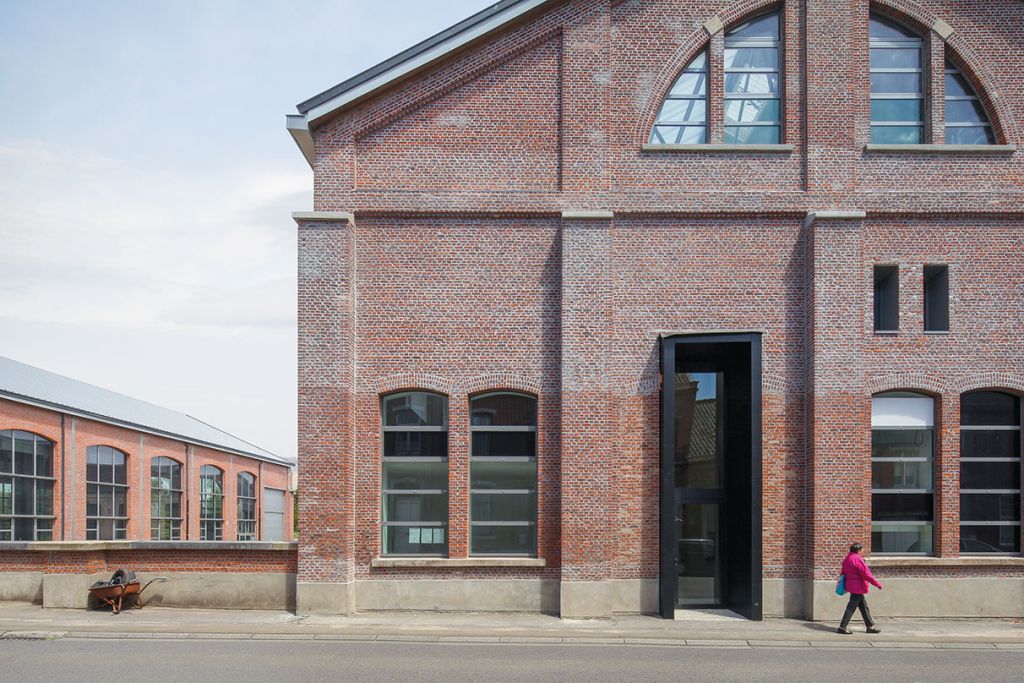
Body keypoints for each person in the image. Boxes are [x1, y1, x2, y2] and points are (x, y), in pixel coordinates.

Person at [837, 542, 882, 634]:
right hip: (858, 586)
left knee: (863, 606)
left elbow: (843, 572)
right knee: (851, 607)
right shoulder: (858, 559)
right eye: (862, 550)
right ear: (858, 550)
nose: (862, 551)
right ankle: (842, 627)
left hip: (851, 585)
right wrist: (877, 584)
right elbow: (866, 574)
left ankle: (870, 626)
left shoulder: (847, 559)